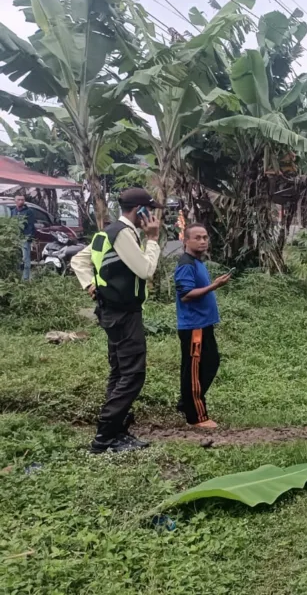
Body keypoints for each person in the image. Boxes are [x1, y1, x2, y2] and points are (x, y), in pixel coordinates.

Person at [70, 188, 162, 454]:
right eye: (149, 209)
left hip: (113, 313)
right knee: (133, 374)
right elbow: (146, 269)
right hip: (123, 314)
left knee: (120, 372)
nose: (153, 215)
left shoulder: (109, 232)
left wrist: (89, 284)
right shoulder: (123, 234)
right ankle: (105, 436)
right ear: (139, 211)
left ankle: (116, 432)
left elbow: (79, 260)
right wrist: (153, 239)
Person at [175, 223, 230, 429]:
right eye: (197, 237)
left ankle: (186, 402)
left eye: (205, 237)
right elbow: (186, 295)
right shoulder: (186, 264)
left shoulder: (197, 262)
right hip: (193, 326)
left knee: (210, 363)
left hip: (204, 324)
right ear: (186, 241)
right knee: (195, 371)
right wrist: (215, 286)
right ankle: (196, 417)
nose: (203, 241)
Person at [12, 193, 36, 281]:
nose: (21, 201)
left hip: (25, 238)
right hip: (15, 238)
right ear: (15, 201)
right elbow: (12, 224)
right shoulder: (13, 211)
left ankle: (26, 279)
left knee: (25, 258)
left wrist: (29, 237)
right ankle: (17, 277)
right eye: (19, 199)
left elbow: (31, 226)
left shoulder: (29, 212)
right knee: (17, 258)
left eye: (22, 200)